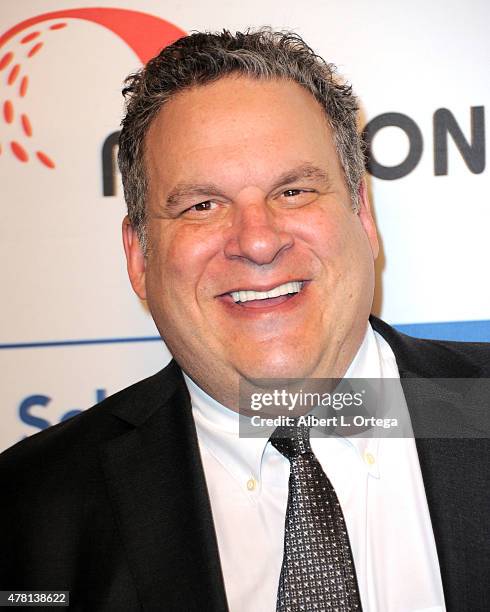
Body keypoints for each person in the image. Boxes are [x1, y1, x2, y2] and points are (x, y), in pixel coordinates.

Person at [1, 28, 489, 612]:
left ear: (363, 217)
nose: (257, 242)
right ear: (139, 257)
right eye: (202, 205)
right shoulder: (25, 512)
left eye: (294, 191)